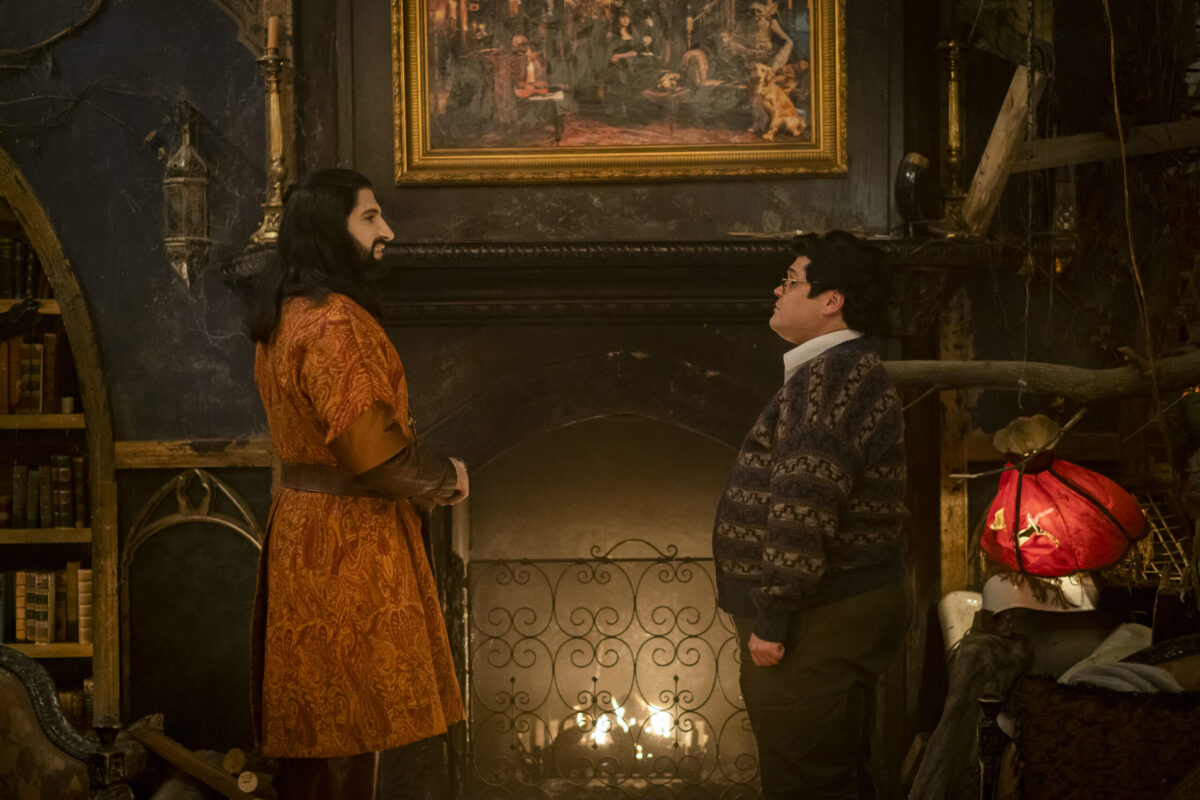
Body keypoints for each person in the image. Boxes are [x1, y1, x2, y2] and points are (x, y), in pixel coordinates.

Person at [247, 169, 469, 800]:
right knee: (347, 723)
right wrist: (446, 478)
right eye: (370, 217)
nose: (387, 230)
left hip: (302, 529)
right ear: (329, 229)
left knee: (320, 726)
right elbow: (374, 456)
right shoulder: (333, 322)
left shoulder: (285, 317)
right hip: (345, 545)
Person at [711, 230, 909, 799]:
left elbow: (806, 501)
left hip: (816, 620)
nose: (778, 290)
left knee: (806, 783)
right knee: (832, 775)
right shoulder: (843, 370)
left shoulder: (828, 377)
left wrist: (775, 615)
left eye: (791, 281)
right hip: (833, 610)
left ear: (831, 300)